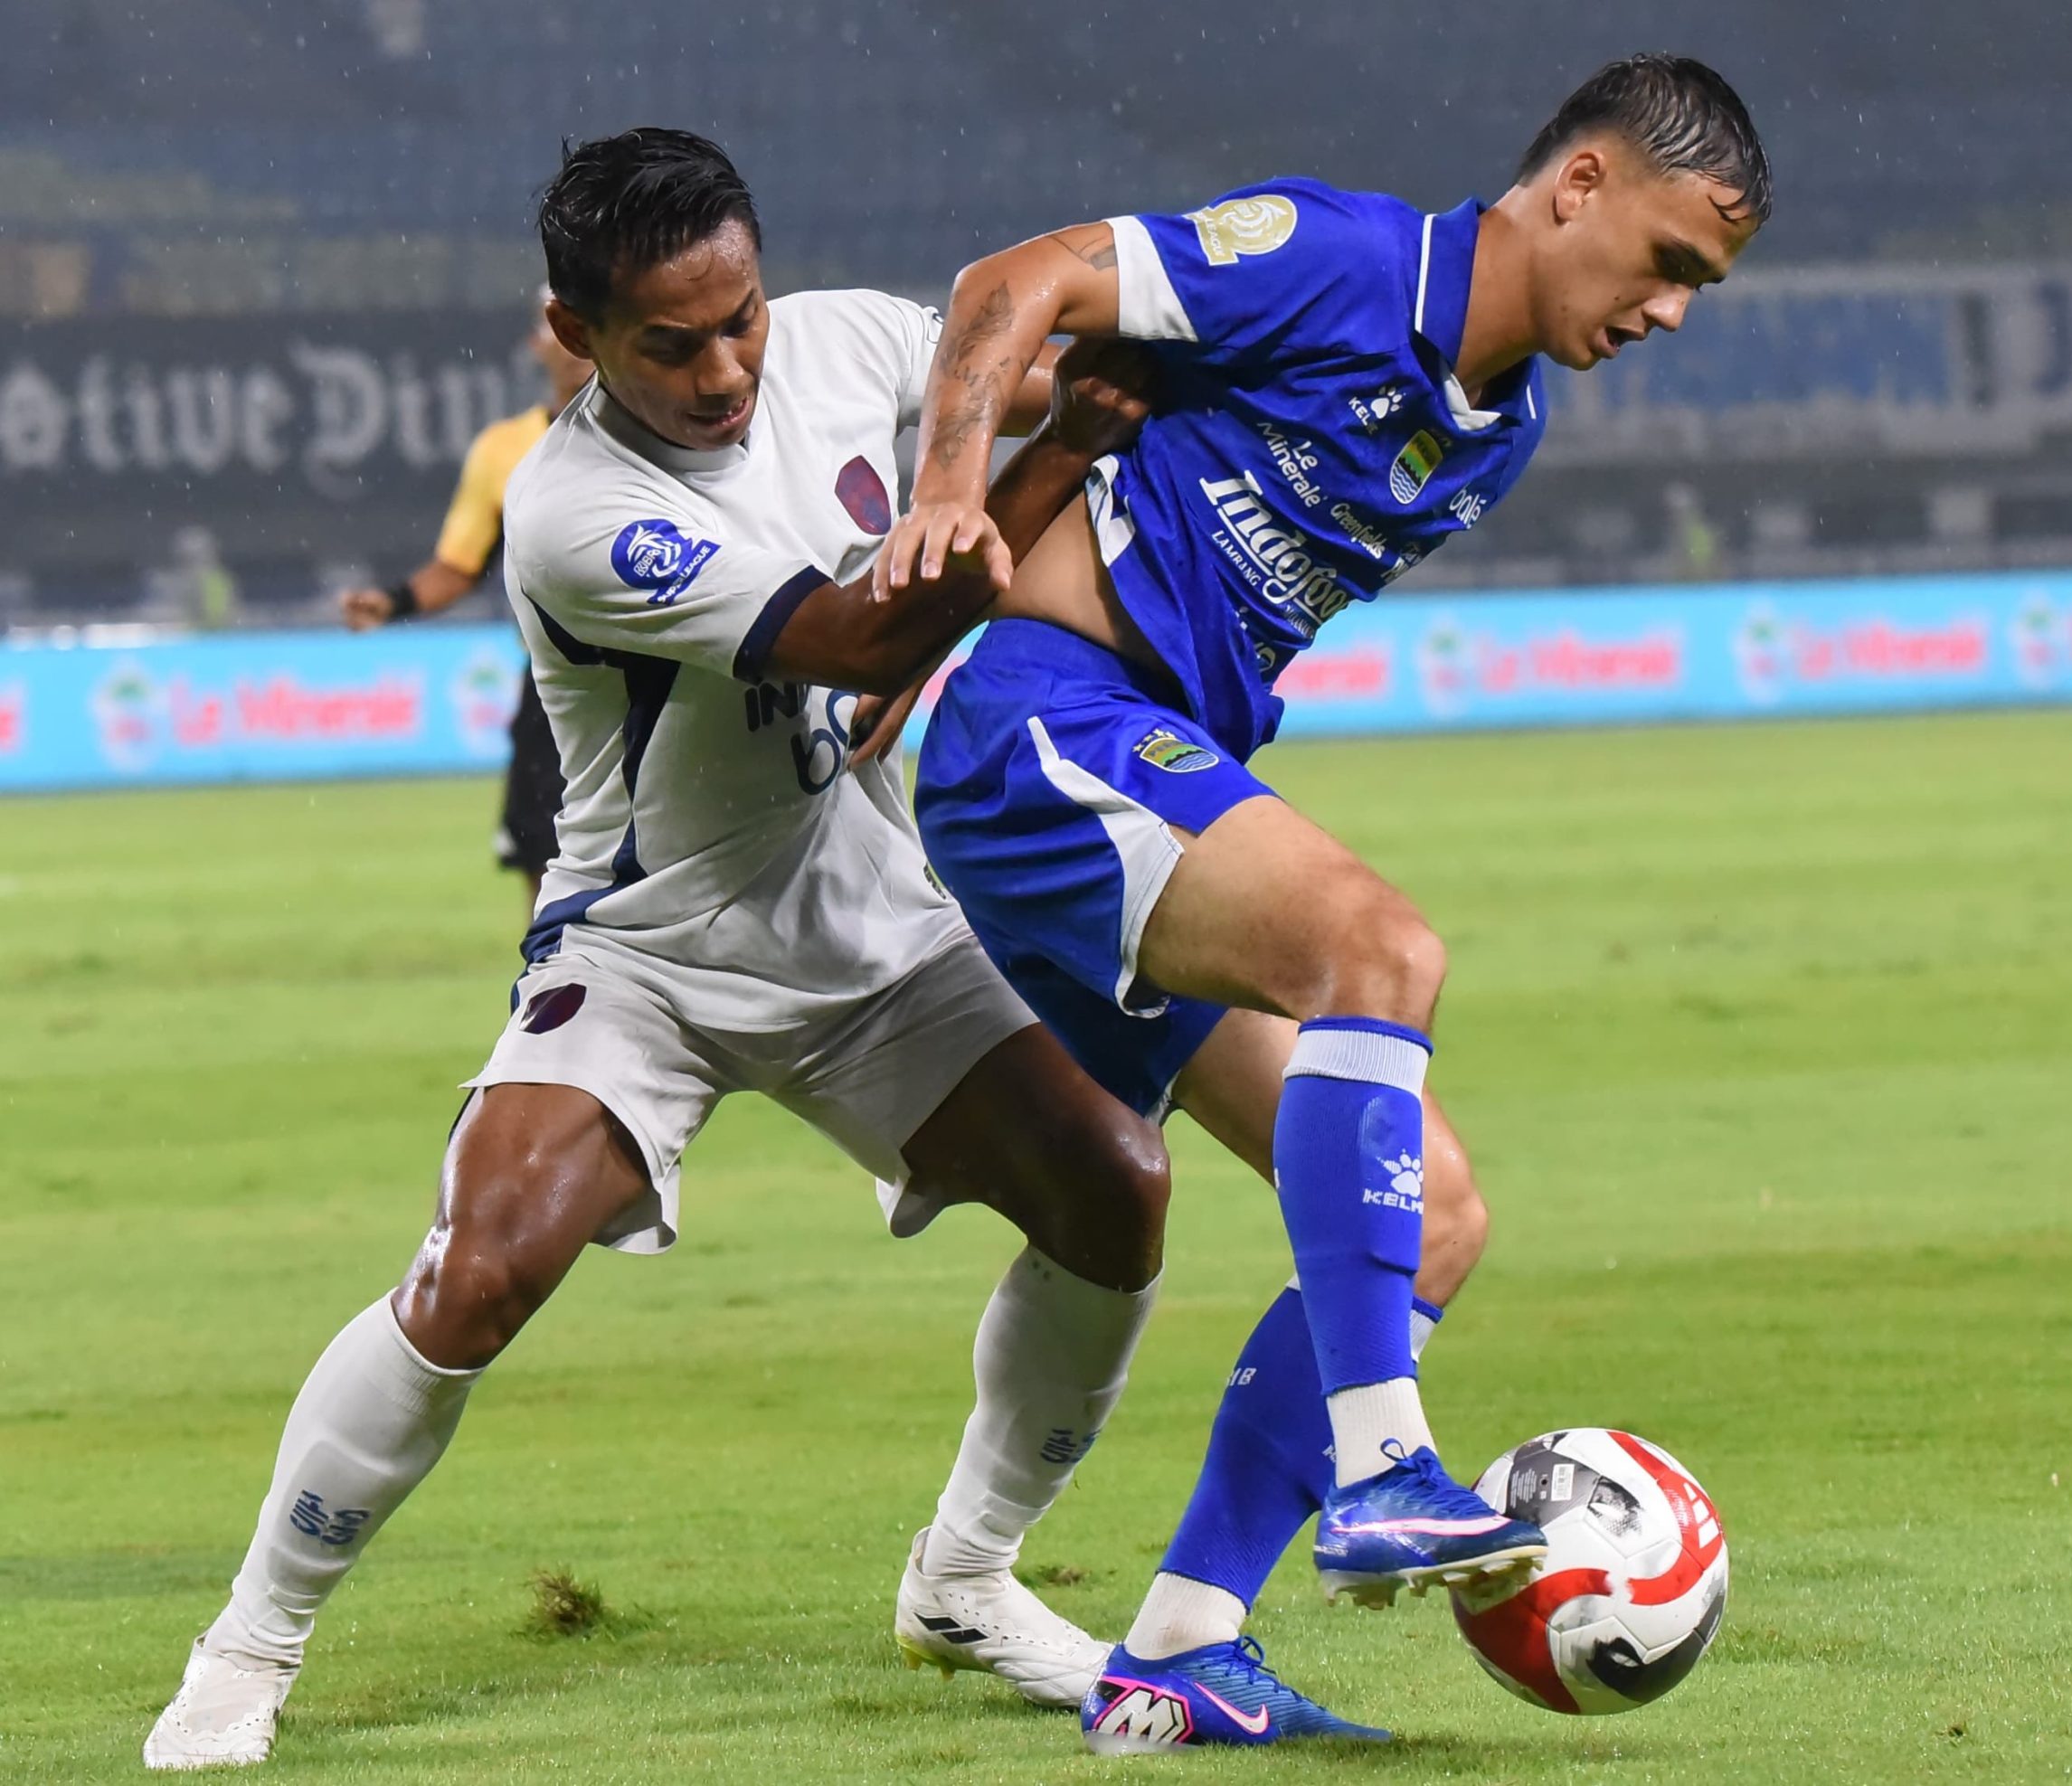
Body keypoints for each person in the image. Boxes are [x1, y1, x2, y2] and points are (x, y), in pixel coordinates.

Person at [144, 128, 1172, 1772]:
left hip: (869, 920)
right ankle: (246, 1647)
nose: (726, 370)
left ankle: (967, 1581)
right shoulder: (573, 509)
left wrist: (1134, 358)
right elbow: (863, 639)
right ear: (577, 333)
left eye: (740, 318)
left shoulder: (847, 338)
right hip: (647, 953)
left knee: (1116, 1188)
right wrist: (1057, 460)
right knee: (478, 1269)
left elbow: (1041, 356)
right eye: (670, 344)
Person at [888, 53, 1771, 1748]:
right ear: (1579, 184)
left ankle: (1181, 1645)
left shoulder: (1500, 429)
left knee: (1436, 1214)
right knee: (1381, 948)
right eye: (1670, 261)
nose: (1668, 310)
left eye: (1700, 290)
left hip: (1141, 774)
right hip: (1041, 729)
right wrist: (948, 500)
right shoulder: (1341, 259)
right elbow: (1016, 281)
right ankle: (1385, 1461)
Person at [340, 298, 593, 899]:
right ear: (540, 342)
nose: (574, 341)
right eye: (559, 325)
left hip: (660, 667)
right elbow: (460, 565)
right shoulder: (504, 450)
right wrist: (393, 602)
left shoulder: (663, 427)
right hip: (556, 681)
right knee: (544, 854)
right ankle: (554, 960)